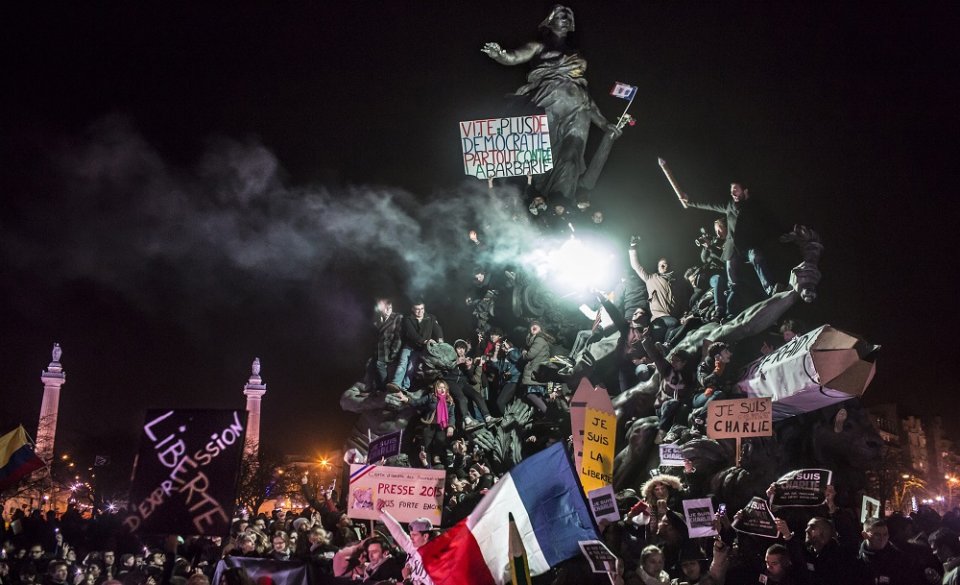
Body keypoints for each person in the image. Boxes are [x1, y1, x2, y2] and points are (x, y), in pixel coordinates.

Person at [482, 5, 621, 203]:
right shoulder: (537, 46)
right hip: (548, 102)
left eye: (568, 16)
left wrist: (603, 123)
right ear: (550, 20)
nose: (565, 19)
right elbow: (512, 57)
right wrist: (499, 54)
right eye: (561, 15)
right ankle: (539, 205)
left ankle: (561, 205)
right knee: (541, 158)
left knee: (571, 157)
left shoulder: (575, 52)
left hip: (579, 106)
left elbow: (585, 94)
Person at [680, 182, 781, 314]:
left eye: (736, 190)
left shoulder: (753, 207)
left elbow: (767, 221)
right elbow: (710, 205)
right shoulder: (729, 206)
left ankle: (770, 289)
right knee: (732, 275)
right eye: (731, 191)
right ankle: (729, 308)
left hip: (748, 246)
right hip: (733, 250)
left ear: (745, 191)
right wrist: (691, 201)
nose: (733, 194)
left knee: (756, 257)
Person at [629, 238, 691, 344]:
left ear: (669, 266)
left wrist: (684, 315)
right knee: (673, 323)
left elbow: (684, 301)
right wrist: (633, 247)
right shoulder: (651, 278)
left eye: (664, 264)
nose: (662, 266)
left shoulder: (678, 282)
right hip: (659, 319)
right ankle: (667, 346)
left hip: (674, 318)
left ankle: (664, 349)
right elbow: (636, 266)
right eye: (660, 265)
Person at [398, 379, 457, 467]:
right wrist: (406, 399)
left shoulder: (449, 401)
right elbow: (417, 403)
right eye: (440, 387)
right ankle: (426, 464)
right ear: (436, 389)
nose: (442, 389)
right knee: (426, 445)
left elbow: (452, 415)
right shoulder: (430, 397)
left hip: (441, 426)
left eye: (444, 387)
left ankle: (436, 455)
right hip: (429, 425)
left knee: (440, 441)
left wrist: (451, 426)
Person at [387, 302, 444, 392]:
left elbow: (437, 329)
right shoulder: (407, 319)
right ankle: (395, 384)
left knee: (411, 366)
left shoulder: (431, 318)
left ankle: (404, 387)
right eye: (417, 309)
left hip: (422, 349)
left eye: (422, 309)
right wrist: (425, 341)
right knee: (403, 362)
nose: (420, 311)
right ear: (412, 309)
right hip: (410, 346)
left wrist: (440, 341)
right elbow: (412, 334)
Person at [379, 510, 434, 585]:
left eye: (414, 535)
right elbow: (397, 532)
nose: (411, 538)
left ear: (425, 536)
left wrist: (407, 578)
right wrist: (382, 513)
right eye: (410, 535)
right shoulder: (413, 547)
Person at [857, 518, 916, 584]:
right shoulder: (856, 559)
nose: (882, 539)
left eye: (885, 534)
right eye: (877, 535)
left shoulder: (899, 559)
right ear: (865, 535)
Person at [372, 298, 402, 391]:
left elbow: (398, 338)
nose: (388, 310)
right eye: (386, 308)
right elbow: (375, 336)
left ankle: (384, 389)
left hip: (390, 350)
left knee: (380, 365)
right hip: (379, 350)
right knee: (372, 365)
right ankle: (376, 388)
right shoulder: (377, 319)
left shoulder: (398, 317)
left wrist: (394, 352)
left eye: (390, 308)